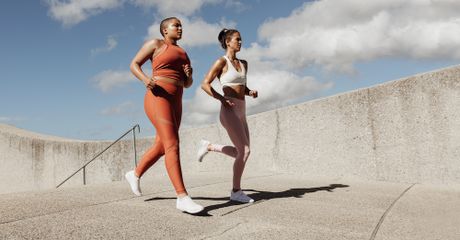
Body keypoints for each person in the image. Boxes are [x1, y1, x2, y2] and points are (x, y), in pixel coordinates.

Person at [125, 17, 203, 214]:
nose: (180, 28)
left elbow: (187, 84)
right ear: (164, 30)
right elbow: (134, 64)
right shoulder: (155, 44)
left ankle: (134, 174)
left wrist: (189, 75)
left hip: (176, 99)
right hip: (157, 96)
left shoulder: (183, 52)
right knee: (172, 144)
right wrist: (145, 79)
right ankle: (182, 197)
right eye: (175, 25)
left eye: (181, 25)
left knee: (162, 146)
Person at [198, 28, 258, 203]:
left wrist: (250, 92)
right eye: (237, 39)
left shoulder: (244, 63)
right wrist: (221, 99)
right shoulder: (221, 62)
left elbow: (241, 87)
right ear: (227, 42)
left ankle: (209, 146)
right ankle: (236, 191)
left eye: (241, 39)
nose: (240, 42)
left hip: (242, 109)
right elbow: (205, 84)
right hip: (228, 109)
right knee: (245, 151)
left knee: (243, 152)